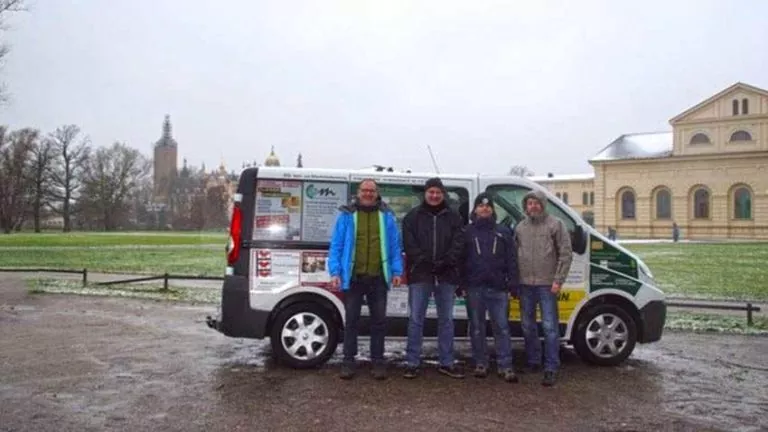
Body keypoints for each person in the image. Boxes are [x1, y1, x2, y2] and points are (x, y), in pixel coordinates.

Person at [328, 179, 403, 380]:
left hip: (378, 278)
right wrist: (335, 272)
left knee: (379, 322)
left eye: (372, 191)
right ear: (358, 192)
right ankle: (348, 361)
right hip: (354, 278)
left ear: (377, 193)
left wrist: (397, 272)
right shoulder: (347, 215)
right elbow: (336, 246)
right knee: (351, 321)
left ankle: (377, 361)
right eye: (365, 190)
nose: (368, 194)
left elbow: (394, 247)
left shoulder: (386, 216)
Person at [402, 177, 465, 379]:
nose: (435, 195)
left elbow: (458, 243)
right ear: (425, 193)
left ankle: (446, 362)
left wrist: (446, 261)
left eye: (438, 192)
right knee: (416, 319)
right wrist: (424, 261)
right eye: (431, 192)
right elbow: (409, 243)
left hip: (446, 274)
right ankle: (412, 362)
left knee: (446, 320)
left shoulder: (454, 217)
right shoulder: (412, 217)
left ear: (443, 194)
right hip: (421, 273)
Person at [514, 190, 573, 387]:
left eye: (536, 203)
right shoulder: (520, 227)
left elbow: (565, 254)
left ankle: (551, 366)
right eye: (530, 203)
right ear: (526, 206)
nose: (533, 206)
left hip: (547, 284)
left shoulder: (555, 225)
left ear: (543, 204)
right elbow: (514, 253)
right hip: (525, 284)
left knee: (549, 327)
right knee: (527, 325)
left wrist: (558, 280)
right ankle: (533, 361)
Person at [461, 192, 519, 383]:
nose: (484, 208)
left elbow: (511, 259)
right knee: (477, 328)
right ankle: (480, 363)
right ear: (475, 209)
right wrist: (461, 283)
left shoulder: (503, 231)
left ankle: (505, 365)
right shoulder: (467, 232)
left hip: (498, 288)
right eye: (481, 205)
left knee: (502, 328)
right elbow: (461, 260)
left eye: (488, 206)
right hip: (474, 287)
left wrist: (513, 282)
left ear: (492, 210)